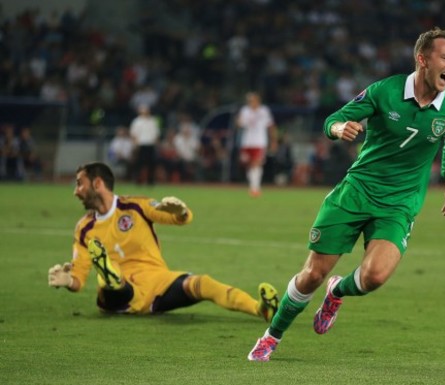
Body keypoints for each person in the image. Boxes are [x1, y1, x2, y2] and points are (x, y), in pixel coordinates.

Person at [247, 27, 445, 362]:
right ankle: (271, 337)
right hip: (356, 192)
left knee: (375, 276)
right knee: (311, 275)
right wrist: (339, 129)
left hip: (398, 203)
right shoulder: (385, 91)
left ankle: (337, 290)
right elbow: (334, 120)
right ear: (423, 59)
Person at [47, 162, 279, 321]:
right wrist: (68, 280)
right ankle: (109, 274)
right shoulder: (84, 228)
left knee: (203, 283)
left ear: (97, 184)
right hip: (119, 296)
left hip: (157, 284)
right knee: (112, 279)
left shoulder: (137, 206)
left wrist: (181, 211)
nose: (76, 191)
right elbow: (78, 279)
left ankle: (261, 310)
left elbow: (180, 219)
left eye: (79, 183)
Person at [235, 92, 277, 197]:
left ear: (257, 100)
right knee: (249, 165)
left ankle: (255, 188)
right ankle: (253, 186)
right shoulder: (245, 111)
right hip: (247, 142)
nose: (250, 102)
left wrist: (273, 140)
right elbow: (239, 123)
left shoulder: (264, 111)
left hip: (259, 141)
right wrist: (239, 122)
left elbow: (270, 126)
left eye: (252, 100)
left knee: (257, 163)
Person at [130, 104, 160, 186]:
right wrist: (136, 145)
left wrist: (156, 144)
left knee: (151, 164)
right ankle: (138, 181)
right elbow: (134, 134)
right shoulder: (137, 121)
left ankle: (151, 181)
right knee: (139, 164)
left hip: (150, 144)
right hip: (141, 144)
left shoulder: (153, 121)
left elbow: (156, 133)